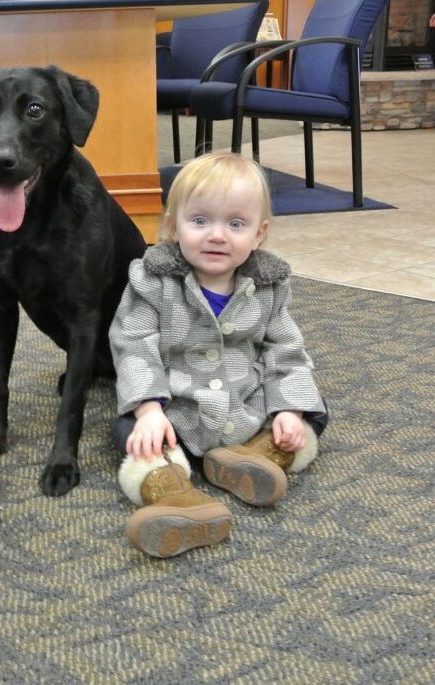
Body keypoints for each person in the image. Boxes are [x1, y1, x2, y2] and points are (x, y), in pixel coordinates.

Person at [109, 151, 328, 558]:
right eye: (200, 221)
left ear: (259, 235)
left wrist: (289, 411)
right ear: (173, 227)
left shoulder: (269, 286)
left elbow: (286, 349)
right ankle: (174, 495)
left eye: (236, 224)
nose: (216, 235)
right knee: (128, 432)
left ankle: (260, 454)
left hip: (244, 402)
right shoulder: (152, 280)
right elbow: (134, 345)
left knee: (314, 407)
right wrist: (149, 411)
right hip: (177, 410)